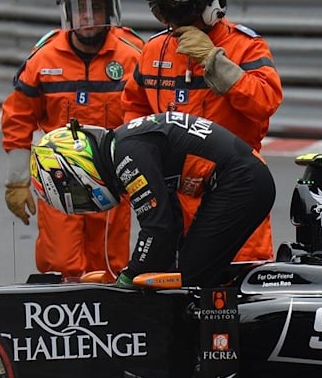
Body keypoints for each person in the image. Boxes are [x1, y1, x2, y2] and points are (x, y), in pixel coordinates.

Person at [123, 0, 282, 262]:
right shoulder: (154, 49)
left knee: (237, 295)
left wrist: (214, 61)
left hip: (235, 193)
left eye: (184, 11)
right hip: (172, 201)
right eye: (167, 13)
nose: (176, 22)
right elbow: (133, 110)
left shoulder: (245, 46)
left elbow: (265, 101)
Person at [0, 0, 144, 281]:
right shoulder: (43, 59)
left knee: (109, 265)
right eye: (80, 8)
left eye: (97, 7)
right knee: (59, 264)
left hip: (112, 180)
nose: (88, 17)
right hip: (57, 181)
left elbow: (149, 120)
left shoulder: (134, 56)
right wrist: (16, 181)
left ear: (111, 9)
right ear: (67, 10)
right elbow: (17, 120)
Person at [29, 111, 275, 288]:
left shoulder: (127, 155)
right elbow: (169, 221)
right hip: (241, 180)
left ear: (78, 166)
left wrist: (129, 276)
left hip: (242, 181)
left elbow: (158, 226)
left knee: (188, 282)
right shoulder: (125, 146)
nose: (87, 202)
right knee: (182, 271)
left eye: (78, 192)